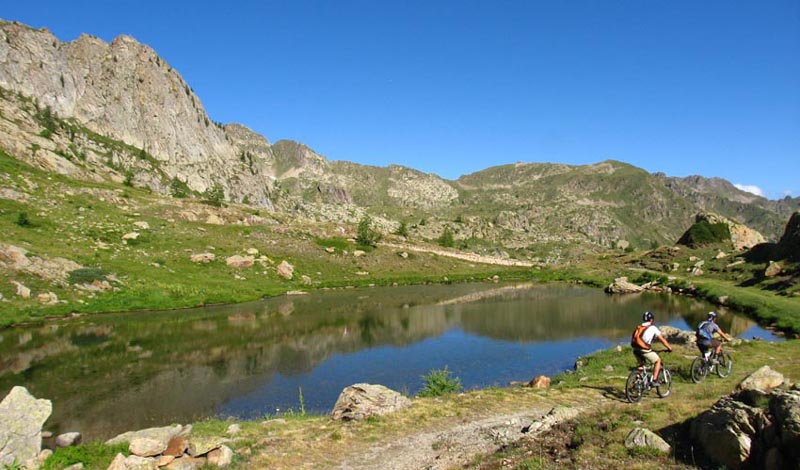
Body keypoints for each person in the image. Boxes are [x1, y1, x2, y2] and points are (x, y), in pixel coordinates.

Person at [631, 311, 673, 386]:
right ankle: (654, 380)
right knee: (658, 361)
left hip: (636, 349)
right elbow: (662, 339)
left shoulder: (639, 327)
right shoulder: (653, 328)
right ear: (651, 320)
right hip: (644, 350)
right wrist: (669, 348)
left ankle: (637, 381)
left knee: (641, 365)